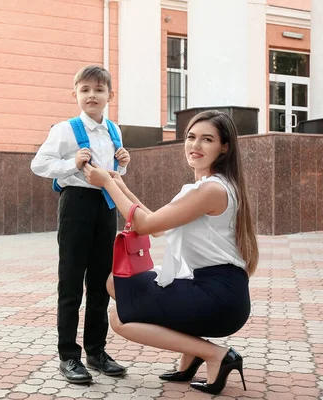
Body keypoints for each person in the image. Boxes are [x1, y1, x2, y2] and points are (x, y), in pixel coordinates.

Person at [82, 110, 259, 395]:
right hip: (214, 289)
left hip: (219, 299)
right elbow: (157, 228)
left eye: (207, 139)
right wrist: (123, 187)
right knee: (116, 282)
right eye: (191, 137)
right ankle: (190, 356)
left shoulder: (210, 190)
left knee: (121, 319)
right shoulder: (208, 187)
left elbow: (144, 223)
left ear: (223, 147)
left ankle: (216, 355)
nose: (195, 145)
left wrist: (108, 184)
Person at [30, 65, 130, 383]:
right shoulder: (65, 129)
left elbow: (112, 173)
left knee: (100, 284)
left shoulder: (114, 130)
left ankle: (96, 352)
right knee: (71, 284)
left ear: (109, 95)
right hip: (76, 205)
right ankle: (69, 357)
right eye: (85, 89)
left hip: (106, 206)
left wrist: (122, 164)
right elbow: (40, 164)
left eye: (98, 90)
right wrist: (70, 164)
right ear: (75, 94)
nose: (92, 95)